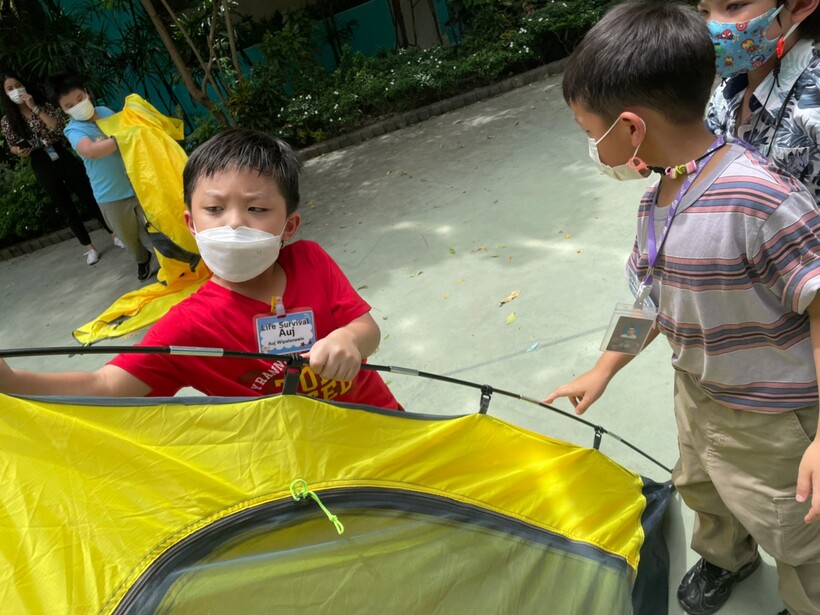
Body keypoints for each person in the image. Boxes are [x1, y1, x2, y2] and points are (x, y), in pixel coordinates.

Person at [543, 3, 820, 615]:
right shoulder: (657, 199)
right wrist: (603, 368)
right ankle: (727, 557)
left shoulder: (761, 200)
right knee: (703, 488)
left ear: (631, 129)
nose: (591, 147)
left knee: (799, 533)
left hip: (775, 419)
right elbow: (649, 298)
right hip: (698, 392)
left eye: (591, 133)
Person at [0, 129, 400, 410]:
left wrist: (349, 339)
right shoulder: (189, 327)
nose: (234, 223)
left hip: (385, 428)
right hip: (303, 473)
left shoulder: (310, 260)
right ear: (191, 224)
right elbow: (106, 385)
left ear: (289, 226)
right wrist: (12, 382)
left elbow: (367, 329)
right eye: (214, 208)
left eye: (257, 208)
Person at [701, 0, 820, 203]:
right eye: (704, 12)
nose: (712, 26)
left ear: (800, 5)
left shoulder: (813, 104)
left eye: (734, 6)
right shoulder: (725, 92)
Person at [0, 72, 124, 265]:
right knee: (65, 206)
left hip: (60, 153)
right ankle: (88, 247)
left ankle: (114, 233)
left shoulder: (43, 105)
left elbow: (58, 128)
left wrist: (34, 107)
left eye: (17, 85)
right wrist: (19, 150)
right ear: (5, 94)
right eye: (10, 88)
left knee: (88, 194)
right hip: (40, 160)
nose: (16, 90)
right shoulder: (7, 120)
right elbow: (12, 145)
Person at [46, 73, 153, 281]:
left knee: (157, 227)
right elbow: (90, 151)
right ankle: (142, 259)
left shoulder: (105, 112)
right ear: (63, 110)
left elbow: (127, 132)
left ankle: (170, 262)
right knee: (128, 237)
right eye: (69, 105)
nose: (77, 106)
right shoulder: (73, 130)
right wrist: (121, 139)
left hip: (137, 184)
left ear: (86, 93)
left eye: (80, 99)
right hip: (110, 195)